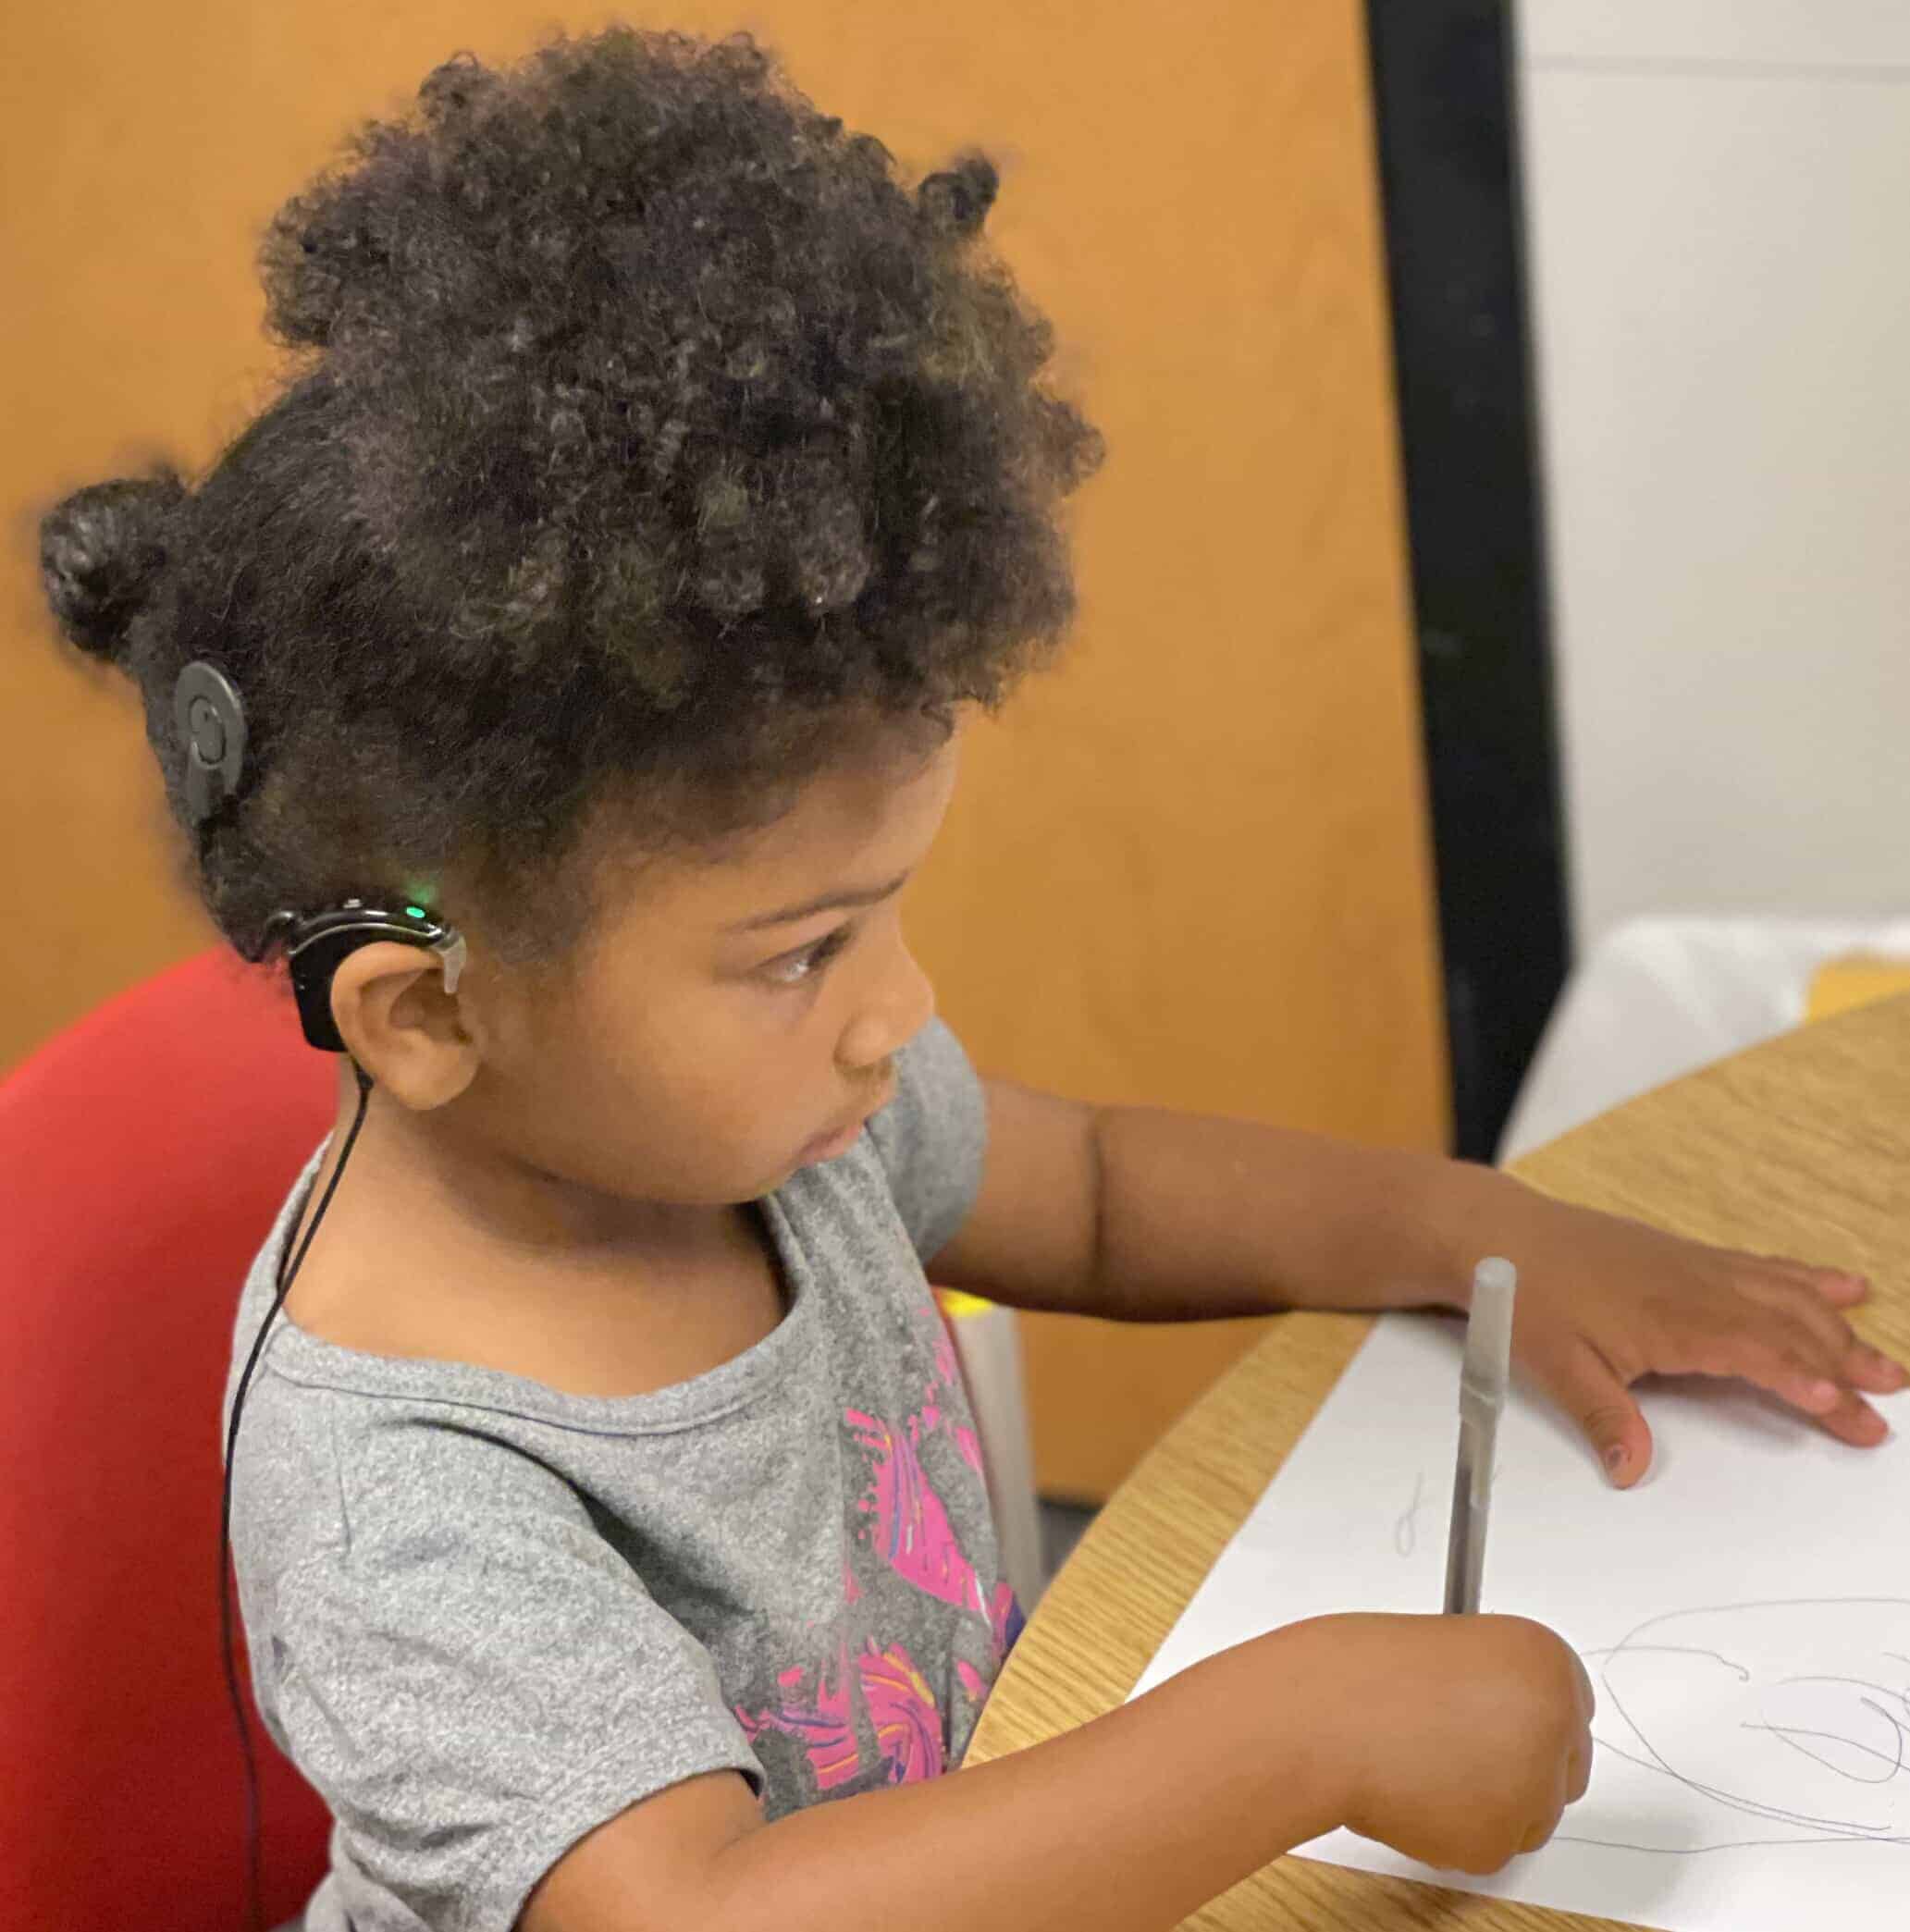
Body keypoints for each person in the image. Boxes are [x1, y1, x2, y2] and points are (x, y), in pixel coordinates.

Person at [36, 27, 1904, 1932]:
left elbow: (1090, 1188)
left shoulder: (753, 1123)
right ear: (427, 1012)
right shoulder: (399, 1492)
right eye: (803, 950)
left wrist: (1482, 1232)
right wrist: (1297, 1734)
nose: (895, 1009)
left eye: (880, 913)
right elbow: (696, 1917)